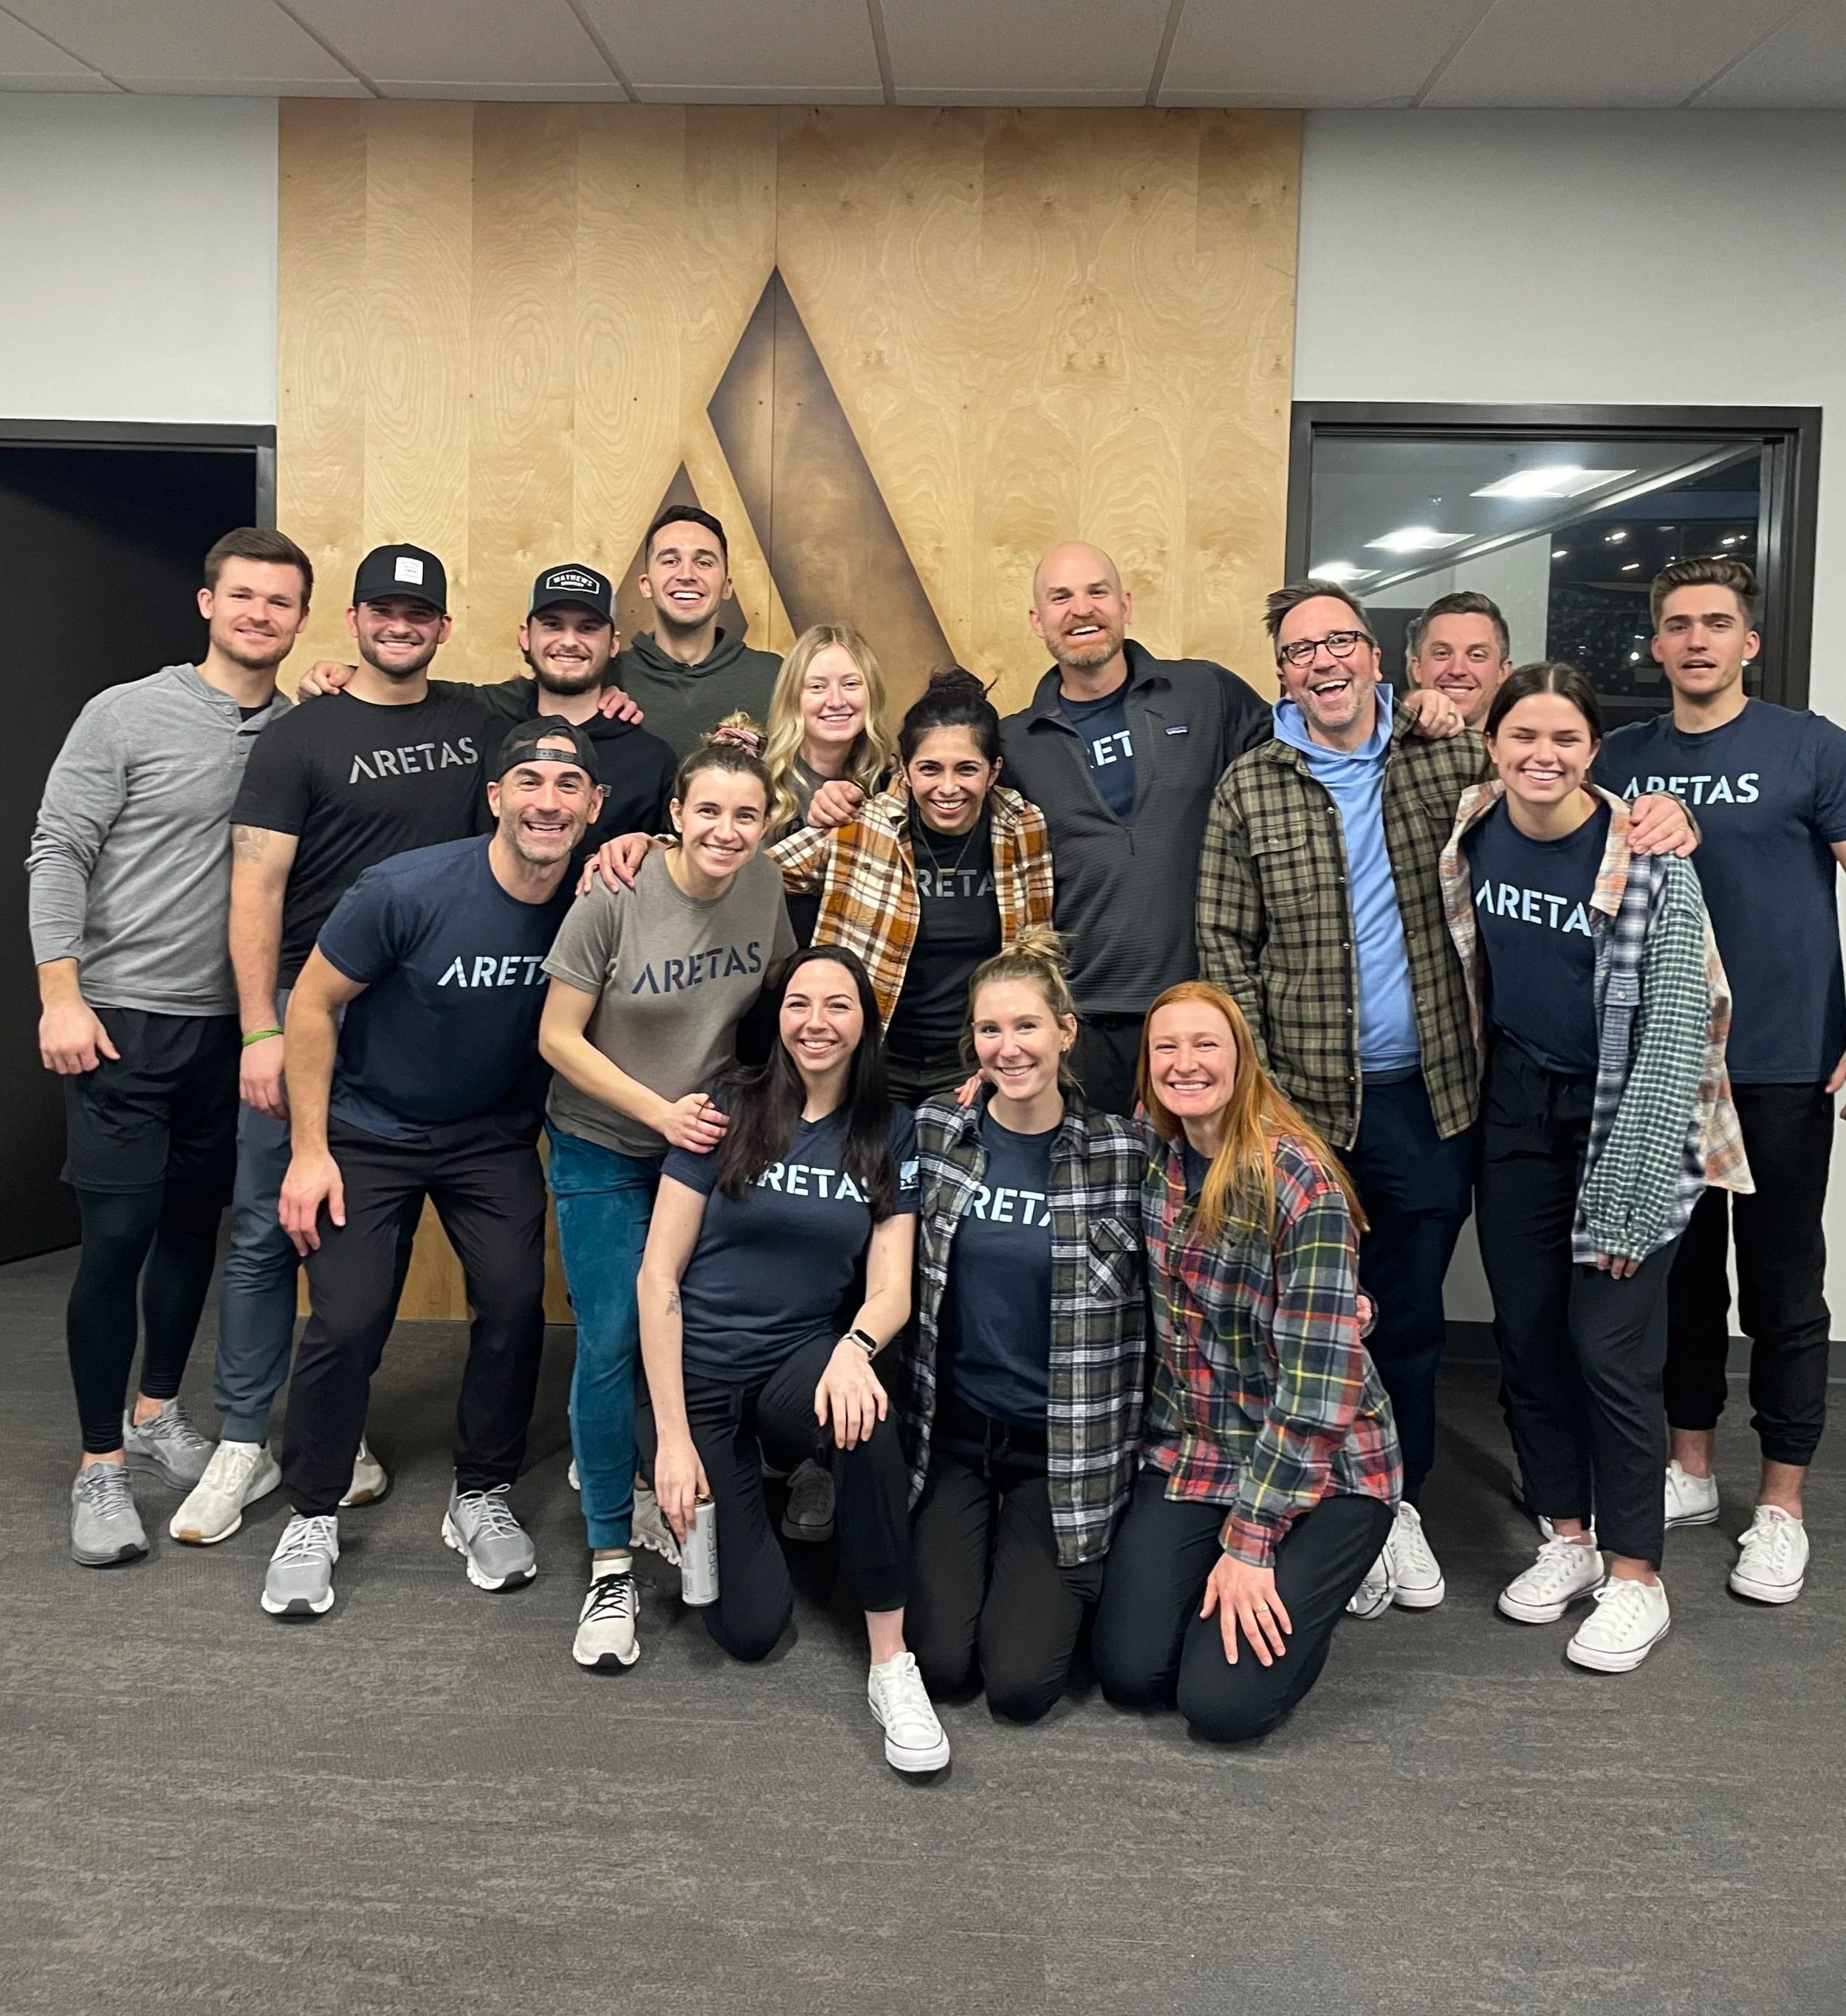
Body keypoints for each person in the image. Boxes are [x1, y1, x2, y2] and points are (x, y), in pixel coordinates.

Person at [1195, 580, 1695, 1619]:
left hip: (1431, 1096)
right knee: (1308, 1318)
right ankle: (1324, 1499)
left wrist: (1661, 810)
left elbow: (1552, 783)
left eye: (1342, 641)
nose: (1323, 661)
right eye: (1300, 650)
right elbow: (1225, 951)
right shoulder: (1250, 784)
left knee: (1411, 1318)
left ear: (1379, 657)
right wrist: (1255, 1101)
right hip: (1301, 1107)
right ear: (1281, 671)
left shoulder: (1451, 758)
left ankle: (1396, 1501)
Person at [177, 543, 487, 1546]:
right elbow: (256, 887)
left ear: (443, 627)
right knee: (271, 1222)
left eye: (419, 614)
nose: (401, 627)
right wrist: (260, 1024)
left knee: (375, 1233)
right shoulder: (300, 734)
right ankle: (242, 1436)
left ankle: (339, 1428)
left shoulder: (482, 720)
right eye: (383, 611)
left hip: (432, 1018)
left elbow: (566, 734)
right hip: (312, 1007)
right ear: (352, 621)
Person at [259, 721, 605, 1618]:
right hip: (366, 1129)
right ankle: (313, 1510)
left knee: (513, 1300)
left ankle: (480, 1491)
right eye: (528, 782)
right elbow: (315, 1004)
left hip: (489, 1138)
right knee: (348, 1316)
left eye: (569, 788)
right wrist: (307, 1151)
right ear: (496, 798)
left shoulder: (600, 896)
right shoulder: (404, 890)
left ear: (593, 809)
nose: (547, 802)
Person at [1443, 663, 1749, 1672]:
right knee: (1527, 1337)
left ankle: (1635, 1576)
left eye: (1566, 739)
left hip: (1627, 1118)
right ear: (1492, 745)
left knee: (1610, 1349)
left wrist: (1627, 1197)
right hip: (1519, 1105)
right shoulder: (1473, 823)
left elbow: (1675, 1037)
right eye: (1523, 735)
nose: (1543, 755)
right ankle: (1566, 1536)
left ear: (1594, 751)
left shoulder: (1648, 852)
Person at [28, 528, 310, 1567]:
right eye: (243, 596)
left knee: (200, 1225)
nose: (259, 615)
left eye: (280, 602)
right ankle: (99, 1462)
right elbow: (59, 848)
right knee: (116, 1237)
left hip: (234, 1028)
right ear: (207, 602)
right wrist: (60, 992)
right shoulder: (126, 713)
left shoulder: (300, 728)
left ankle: (156, 1410)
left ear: (300, 619)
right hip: (119, 1018)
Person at [1596, 558, 1846, 1605]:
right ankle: (1691, 1467)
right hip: (1669, 1063)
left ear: (1748, 640)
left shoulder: (1809, 746)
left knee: (1784, 1287)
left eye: (1717, 623)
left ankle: (1780, 1501)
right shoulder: (1621, 754)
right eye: (1677, 625)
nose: (1697, 639)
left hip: (1783, 1059)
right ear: (1654, 645)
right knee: (1685, 1282)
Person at [638, 945, 950, 1777]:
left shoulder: (888, 1129)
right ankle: (675, 1487)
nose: (817, 1022)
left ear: (864, 1023)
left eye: (838, 1006)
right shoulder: (725, 1107)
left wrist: (853, 1350)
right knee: (750, 1631)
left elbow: (891, 1287)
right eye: (800, 1004)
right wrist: (671, 1437)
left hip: (796, 1362)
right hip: (697, 1379)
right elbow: (658, 1278)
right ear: (778, 1016)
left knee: (866, 1417)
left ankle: (892, 1664)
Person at [538, 719, 797, 1671]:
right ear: (675, 816)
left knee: (697, 1326)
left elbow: (773, 1006)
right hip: (608, 1142)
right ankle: (609, 1559)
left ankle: (669, 1477)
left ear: (767, 827)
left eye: (748, 815)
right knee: (609, 1338)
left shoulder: (765, 885)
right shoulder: (615, 891)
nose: (727, 831)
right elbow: (558, 1040)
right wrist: (660, 1114)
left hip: (709, 1142)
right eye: (710, 812)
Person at [1091, 982, 1399, 1743]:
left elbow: (1319, 1392)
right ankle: (1232, 1573)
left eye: (1205, 1047)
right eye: (1166, 1047)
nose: (1184, 1064)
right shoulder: (1150, 1152)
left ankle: (1334, 1561)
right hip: (1198, 1450)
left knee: (1221, 1707)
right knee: (1132, 1676)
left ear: (1241, 1061)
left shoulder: (1300, 1181)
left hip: (1323, 1468)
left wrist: (1251, 1539)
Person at [905, 930, 1145, 1722]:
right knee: (939, 1667)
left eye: (1026, 1027)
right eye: (989, 1030)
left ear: (1066, 1031)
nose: (1008, 1048)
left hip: (1062, 1452)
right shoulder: (938, 1133)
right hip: (957, 1439)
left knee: (1017, 1688)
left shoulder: (1123, 1154)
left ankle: (1071, 1584)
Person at [995, 543, 1272, 1117]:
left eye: (1097, 592)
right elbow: (940, 798)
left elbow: (1308, 745)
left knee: (1199, 1195)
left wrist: (1403, 710)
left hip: (1198, 1012)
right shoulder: (1014, 742)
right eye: (1060, 597)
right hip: (1080, 1021)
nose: (1081, 609)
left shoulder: (1204, 693)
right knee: (1094, 1196)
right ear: (1036, 620)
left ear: (1125, 605)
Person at [774, 668, 1053, 1106]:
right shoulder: (862, 826)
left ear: (994, 770)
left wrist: (1002, 1062)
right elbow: (747, 872)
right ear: (904, 770)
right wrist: (655, 847)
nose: (947, 788)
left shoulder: (1023, 827)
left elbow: (1033, 960)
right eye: (929, 769)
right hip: (869, 1059)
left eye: (967, 769)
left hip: (972, 1064)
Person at [291, 560, 676, 856]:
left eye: (588, 628)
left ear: (613, 644)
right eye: (553, 625)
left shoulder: (651, 758)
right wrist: (353, 675)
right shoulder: (479, 728)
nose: (569, 641)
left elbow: (674, 865)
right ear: (526, 637)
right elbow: (409, 692)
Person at [611, 506, 782, 758]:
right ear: (646, 586)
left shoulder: (774, 677)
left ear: (726, 586)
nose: (687, 575)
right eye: (671, 561)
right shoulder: (609, 678)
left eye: (704, 562)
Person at [1407, 589, 1514, 731]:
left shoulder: (1527, 749)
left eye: (1476, 655)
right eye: (1442, 653)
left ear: (1503, 671)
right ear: (1417, 669)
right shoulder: (1387, 744)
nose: (1457, 670)